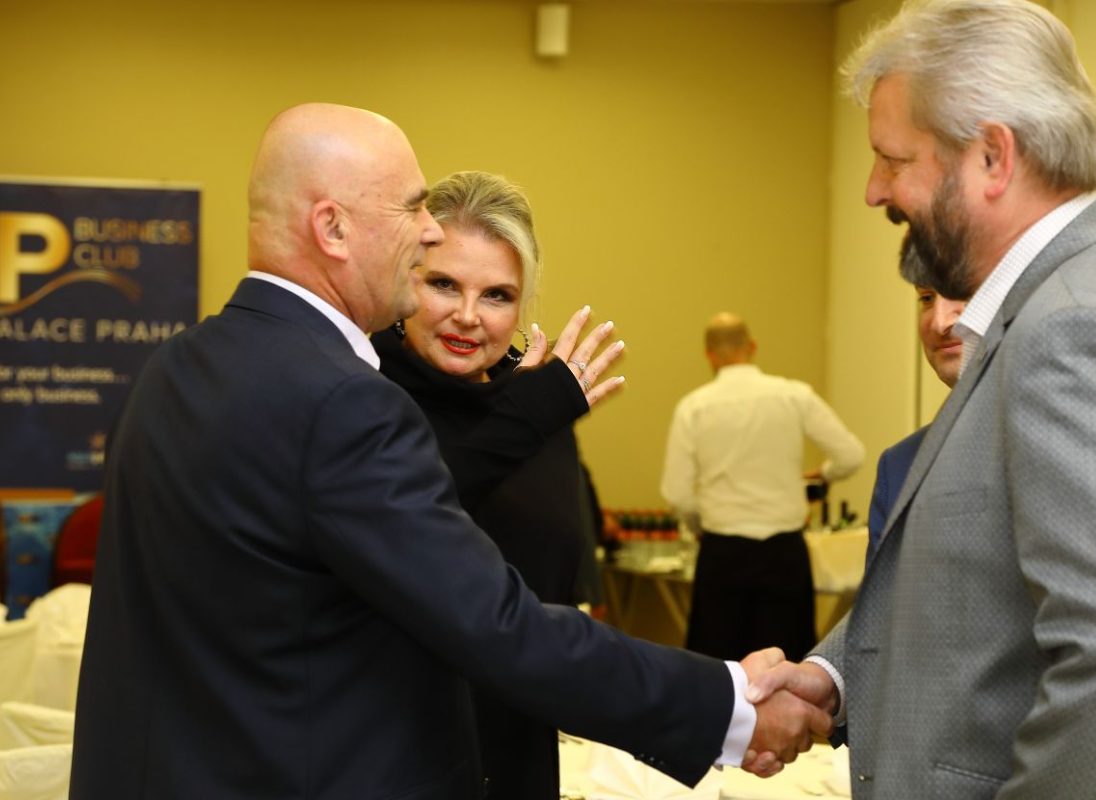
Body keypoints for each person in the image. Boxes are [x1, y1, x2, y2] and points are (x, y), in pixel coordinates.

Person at [69, 102, 832, 798]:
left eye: (497, 294)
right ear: (332, 229)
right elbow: (499, 623)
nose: (429, 230)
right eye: (412, 208)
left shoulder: (171, 368)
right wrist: (729, 706)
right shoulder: (346, 403)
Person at [747, 1, 1096, 795]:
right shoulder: (1093, 285)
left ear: (992, 157)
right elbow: (984, 589)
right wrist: (837, 677)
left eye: (893, 159)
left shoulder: (1073, 329)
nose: (874, 191)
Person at [371, 170, 622, 798]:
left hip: (518, 742)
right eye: (443, 284)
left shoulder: (535, 399)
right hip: (393, 745)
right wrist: (526, 416)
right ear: (405, 277)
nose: (467, 316)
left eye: (497, 295)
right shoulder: (362, 388)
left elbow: (555, 585)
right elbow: (404, 522)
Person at [661, 312, 864, 663]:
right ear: (752, 347)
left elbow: (676, 492)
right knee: (787, 666)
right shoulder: (793, 395)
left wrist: (699, 526)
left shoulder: (693, 407)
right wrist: (820, 477)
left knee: (720, 669)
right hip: (784, 556)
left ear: (709, 354)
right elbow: (851, 455)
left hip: (722, 555)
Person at [865, 284, 964, 563]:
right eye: (927, 298)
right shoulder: (899, 466)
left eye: (961, 291)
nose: (939, 322)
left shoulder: (1060, 440)